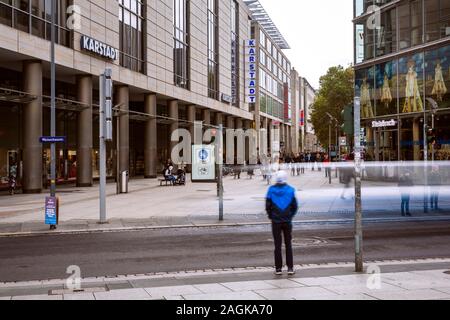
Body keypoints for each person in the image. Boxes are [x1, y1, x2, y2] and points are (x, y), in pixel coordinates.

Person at [266, 171, 299, 276]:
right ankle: (290, 268)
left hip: (275, 221)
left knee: (277, 245)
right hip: (287, 221)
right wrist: (290, 216)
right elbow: (295, 206)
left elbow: (267, 206)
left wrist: (271, 216)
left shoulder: (271, 190)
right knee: (288, 244)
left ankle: (278, 269)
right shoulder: (291, 190)